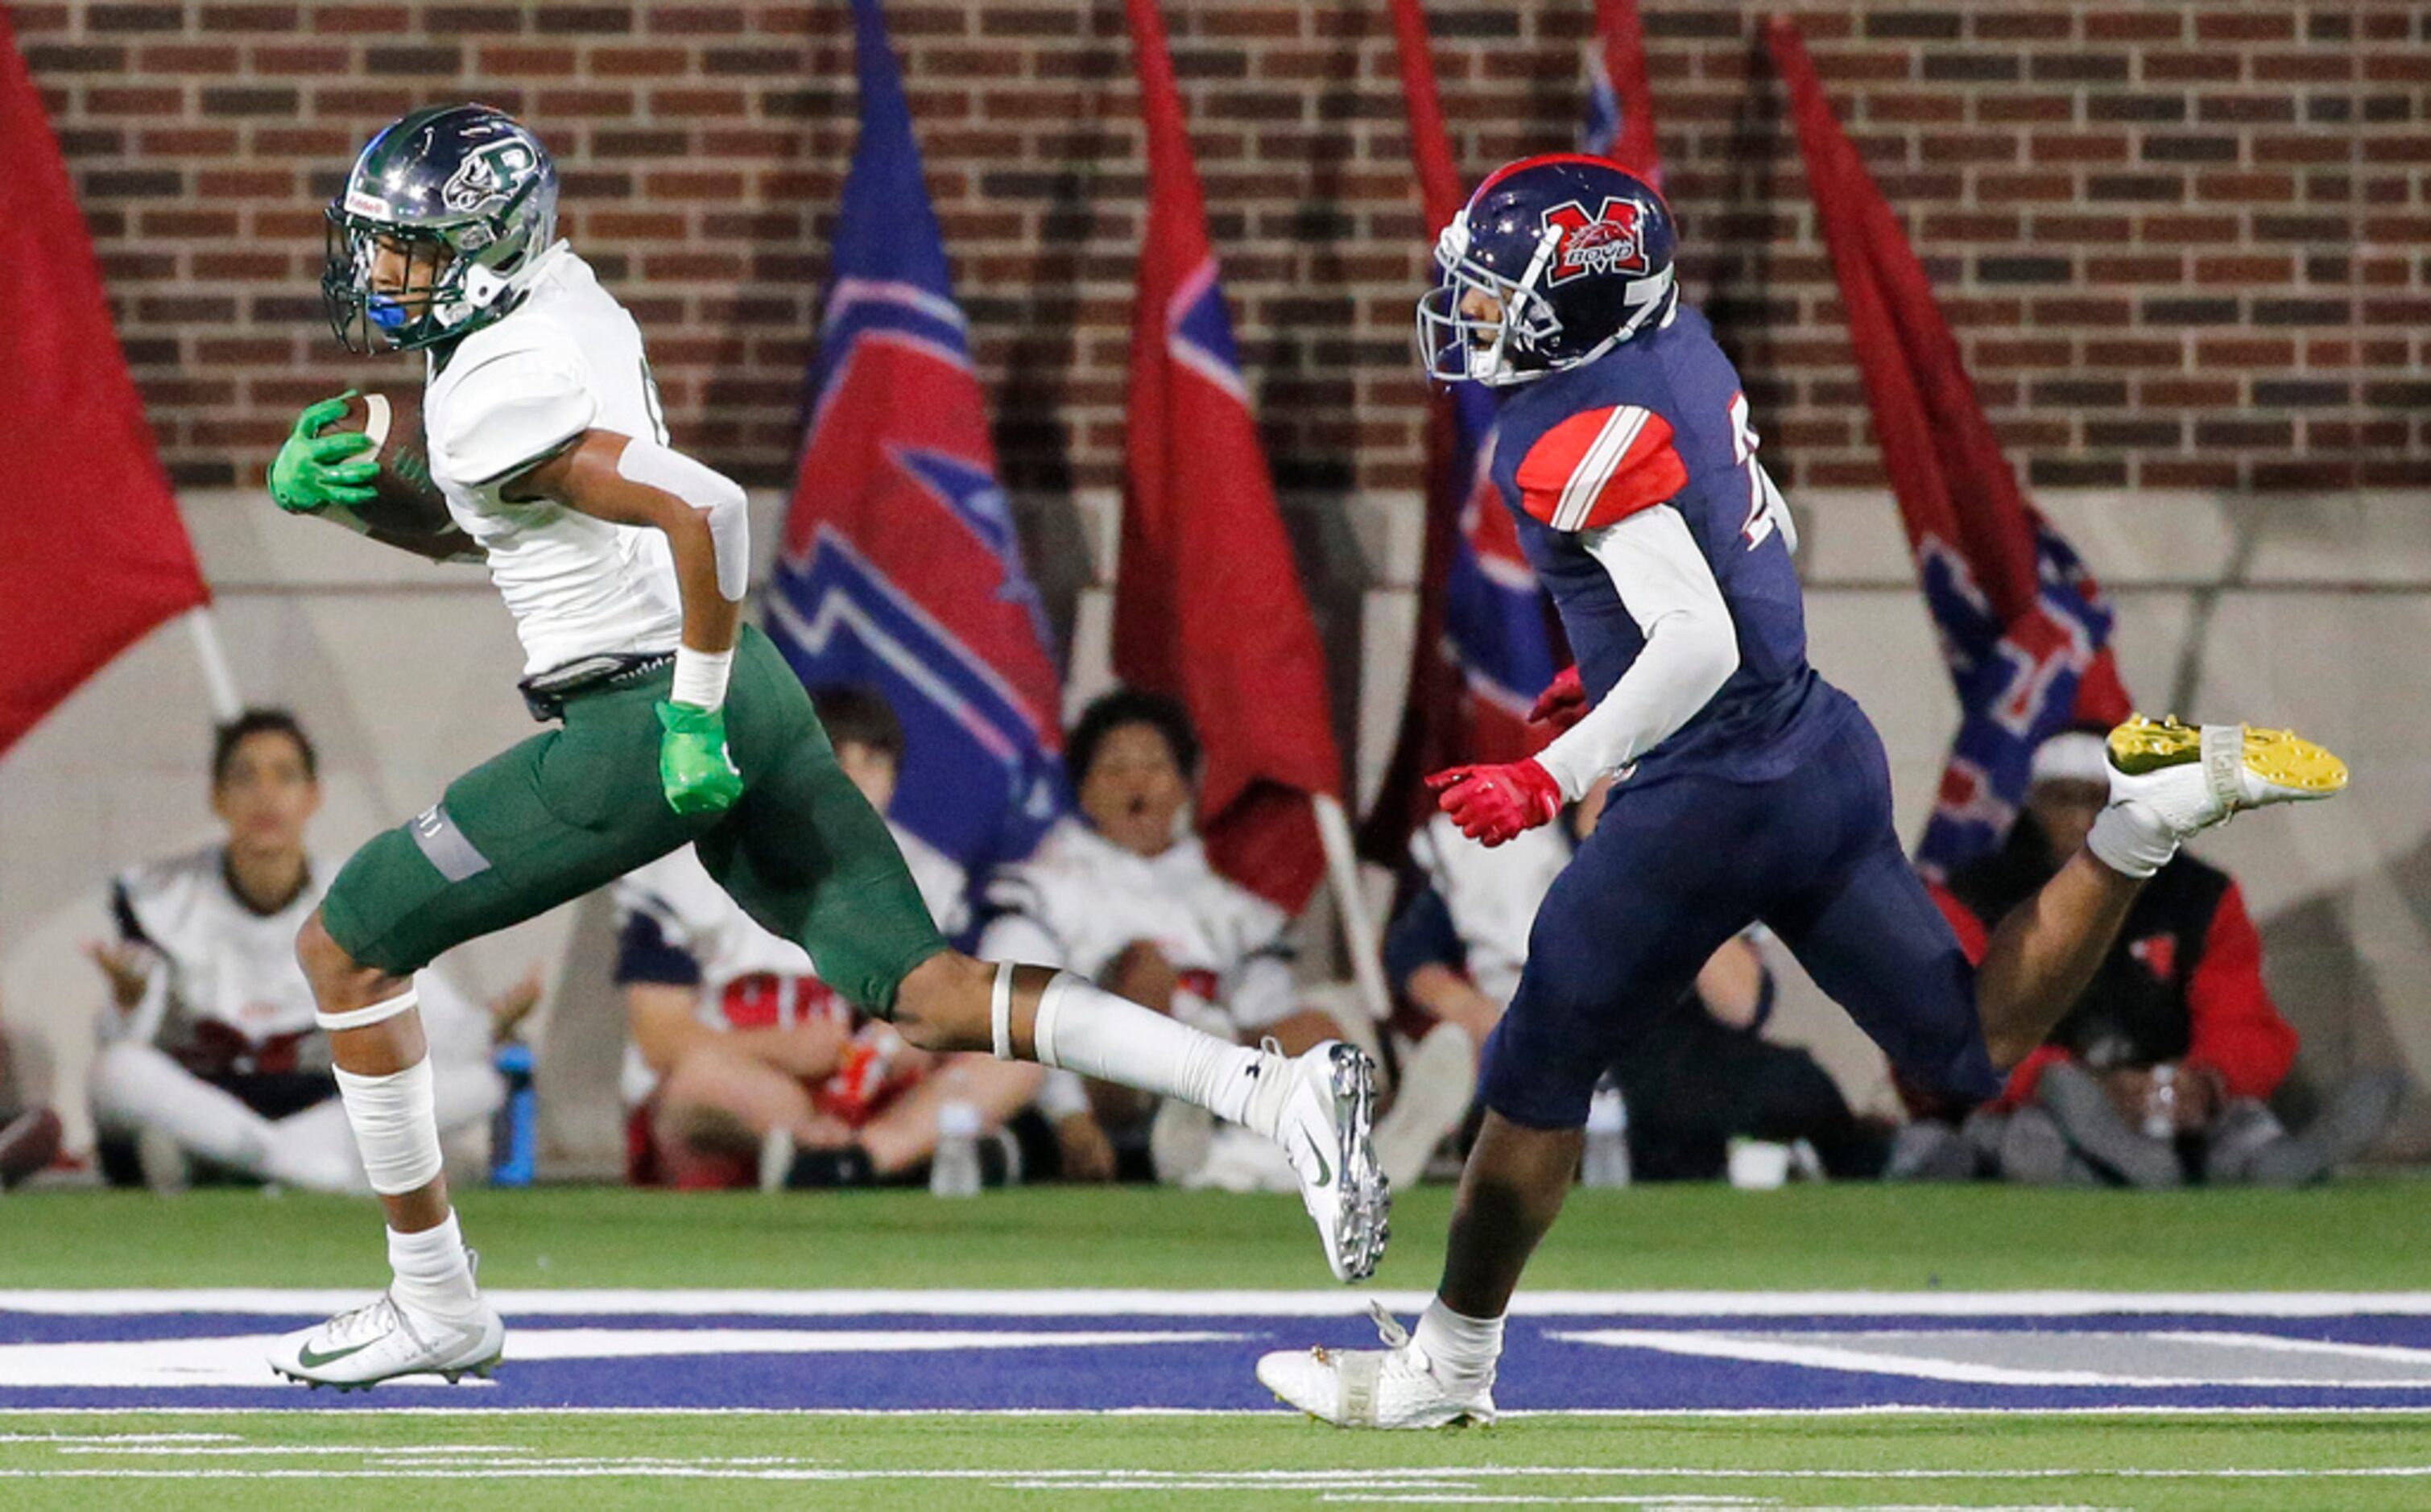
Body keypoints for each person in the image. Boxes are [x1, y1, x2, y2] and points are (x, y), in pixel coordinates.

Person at [261, 104, 1383, 1389]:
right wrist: (375, 512)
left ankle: (434, 1301)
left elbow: (706, 509)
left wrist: (682, 714)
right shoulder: (559, 302)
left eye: (403, 247)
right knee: (930, 993)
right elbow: (523, 529)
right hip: (747, 688)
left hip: (639, 716)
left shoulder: (488, 391)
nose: (376, 274)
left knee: (345, 942)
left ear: (479, 247)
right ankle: (1267, 1092)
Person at [1255, 155, 2346, 1427]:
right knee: (1963, 1044)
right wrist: (1594, 667)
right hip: (1817, 746)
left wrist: (1552, 769)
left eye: (1498, 297)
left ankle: (1442, 1370)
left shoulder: (1561, 429)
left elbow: (1695, 641)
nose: (1472, 317)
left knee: (1535, 1065)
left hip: (1703, 791)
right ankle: (2137, 823)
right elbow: (1736, 538)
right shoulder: (1677, 347)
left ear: (1581, 302)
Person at [1904, 729, 2398, 1188]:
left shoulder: (2198, 896)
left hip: (2175, 1104)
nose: (2082, 821)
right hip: (2041, 1099)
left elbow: (2243, 1018)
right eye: (2065, 801)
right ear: (2033, 803)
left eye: (2100, 801)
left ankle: (2266, 1162)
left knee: (2240, 1126)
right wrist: (2082, 1086)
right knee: (2029, 1136)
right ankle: (2124, 1166)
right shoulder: (1972, 899)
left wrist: (2203, 1084)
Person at [616, 685, 1038, 1190]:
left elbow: (953, 1010)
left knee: (1019, 1050)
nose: (854, 778)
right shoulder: (688, 865)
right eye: (834, 756)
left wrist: (895, 1046)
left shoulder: (929, 875)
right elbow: (662, 1040)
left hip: (875, 1091)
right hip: (752, 1089)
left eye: (872, 761)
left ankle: (854, 1161)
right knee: (700, 1080)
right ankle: (873, 1154)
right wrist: (783, 1048)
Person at [84, 710, 505, 1196]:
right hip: (209, 1099)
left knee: (480, 1085)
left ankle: (241, 1161)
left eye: (284, 776)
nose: (265, 795)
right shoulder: (161, 897)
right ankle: (300, 1167)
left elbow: (447, 1030)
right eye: (244, 777)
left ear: (313, 796)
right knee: (116, 1072)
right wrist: (130, 999)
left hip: (321, 1104)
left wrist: (493, 1023)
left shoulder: (356, 892)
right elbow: (123, 1047)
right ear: (217, 797)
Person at [1386, 779, 1876, 1182]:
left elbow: (1745, 1006)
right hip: (1534, 1039)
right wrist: (1468, 1010)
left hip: (1669, 1054)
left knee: (1800, 1089)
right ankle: (1414, 1140)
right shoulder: (1505, 849)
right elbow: (1410, 954)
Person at [978, 689, 1372, 1187]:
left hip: (1217, 1071)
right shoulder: (1044, 886)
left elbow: (1261, 1017)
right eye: (1115, 769)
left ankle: (1238, 1154)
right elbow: (1017, 1012)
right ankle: (1268, 1148)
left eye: (1154, 766)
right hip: (1105, 1093)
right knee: (1146, 969)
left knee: (1322, 1031)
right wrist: (1069, 1117)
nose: (1136, 783)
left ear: (1185, 787)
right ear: (1084, 791)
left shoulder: (1226, 903)